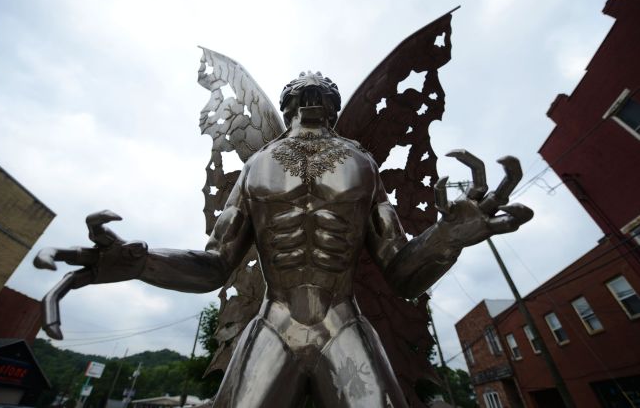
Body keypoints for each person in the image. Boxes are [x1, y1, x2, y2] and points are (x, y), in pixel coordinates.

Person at [35, 72, 532, 408]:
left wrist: (448, 236)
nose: (312, 95)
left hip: (345, 322)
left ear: (333, 108)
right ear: (288, 104)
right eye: (302, 91)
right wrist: (141, 262)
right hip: (273, 321)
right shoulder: (256, 166)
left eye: (321, 92)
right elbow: (215, 266)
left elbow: (401, 273)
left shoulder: (364, 166)